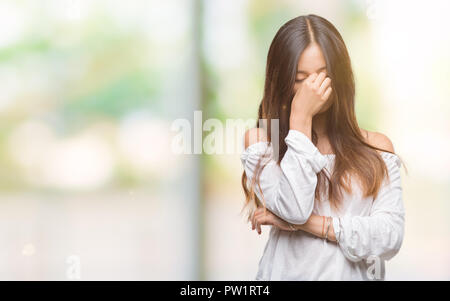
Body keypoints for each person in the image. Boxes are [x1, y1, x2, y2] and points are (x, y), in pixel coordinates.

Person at [240, 14, 406, 280]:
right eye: (300, 78)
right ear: (281, 81)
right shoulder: (261, 142)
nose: (312, 89)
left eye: (322, 76)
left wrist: (304, 225)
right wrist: (300, 119)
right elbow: (295, 207)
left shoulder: (376, 147)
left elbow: (389, 237)